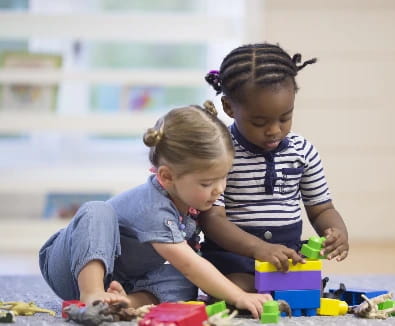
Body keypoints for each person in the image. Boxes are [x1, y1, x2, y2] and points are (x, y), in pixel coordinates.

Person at [38, 101, 272, 318]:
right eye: (206, 183)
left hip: (122, 278)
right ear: (167, 177)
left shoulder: (188, 201)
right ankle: (92, 295)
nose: (219, 189)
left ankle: (125, 302)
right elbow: (190, 263)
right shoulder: (154, 207)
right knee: (97, 210)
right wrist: (238, 295)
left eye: (223, 178)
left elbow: (189, 267)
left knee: (185, 282)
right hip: (69, 266)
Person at [200, 43, 350, 292]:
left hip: (287, 256)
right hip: (234, 257)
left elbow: (322, 209)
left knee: (305, 290)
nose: (274, 130)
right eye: (259, 122)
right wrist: (258, 249)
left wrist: (337, 232)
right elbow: (212, 218)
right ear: (228, 107)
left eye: (285, 117)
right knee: (236, 288)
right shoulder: (220, 152)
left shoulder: (303, 151)